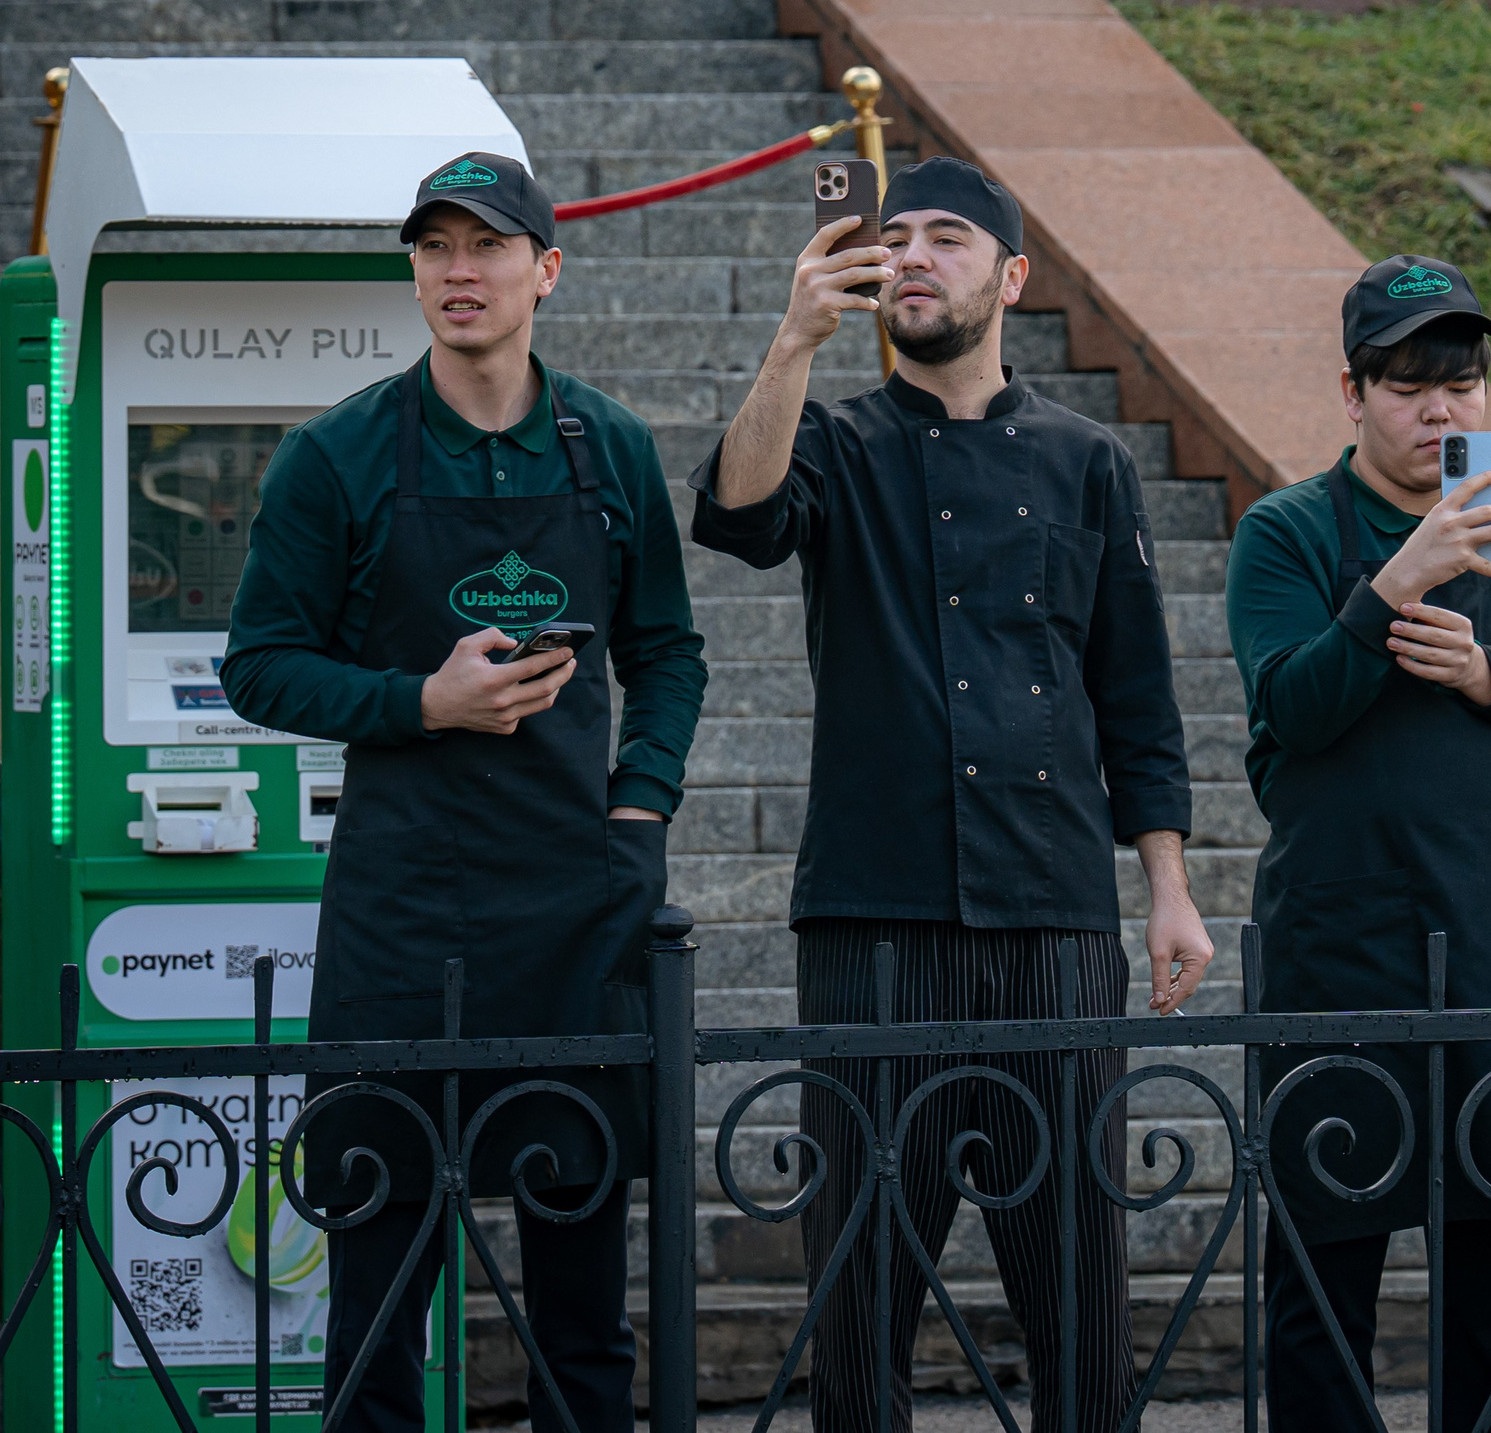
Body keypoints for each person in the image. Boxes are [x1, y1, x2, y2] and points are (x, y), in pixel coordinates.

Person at [687, 155, 1207, 1433]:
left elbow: (1134, 689)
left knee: (1077, 1277)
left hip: (1053, 908)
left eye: (950, 239)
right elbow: (739, 515)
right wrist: (794, 336)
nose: (914, 256)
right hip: (875, 910)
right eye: (897, 236)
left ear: (1011, 277)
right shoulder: (834, 436)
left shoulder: (1089, 462)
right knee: (860, 1281)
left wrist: (1170, 891)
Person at [223, 152, 705, 1433]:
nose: (457, 272)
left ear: (545, 270)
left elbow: (667, 652)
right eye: (434, 248)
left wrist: (641, 808)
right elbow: (259, 668)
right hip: (400, 910)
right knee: (377, 1290)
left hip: (574, 905)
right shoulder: (335, 458)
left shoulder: (613, 448)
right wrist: (416, 704)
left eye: (486, 247)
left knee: (582, 1304)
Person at [1223, 255, 1491, 1433]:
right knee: (1322, 1280)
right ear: (1352, 394)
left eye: (1461, 382)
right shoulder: (1285, 531)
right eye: (1406, 384)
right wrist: (1394, 584)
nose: (1439, 409)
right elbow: (1289, 708)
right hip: (1344, 952)